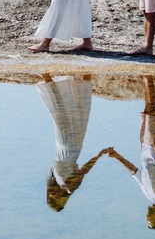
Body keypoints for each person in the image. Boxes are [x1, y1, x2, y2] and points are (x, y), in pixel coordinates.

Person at [105, 75, 155, 229]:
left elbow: (134, 172)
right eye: (150, 219)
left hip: (144, 145)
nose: (146, 216)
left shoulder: (148, 195)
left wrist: (117, 156)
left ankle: (147, 77)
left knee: (148, 110)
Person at [36, 74, 110, 211]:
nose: (52, 195)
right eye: (54, 199)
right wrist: (98, 156)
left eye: (50, 198)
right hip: (70, 147)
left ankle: (50, 78)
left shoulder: (58, 183)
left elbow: (81, 171)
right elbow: (84, 171)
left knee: (65, 112)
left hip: (64, 147)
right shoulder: (69, 188)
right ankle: (53, 78)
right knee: (71, 113)